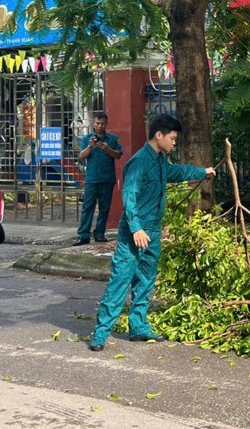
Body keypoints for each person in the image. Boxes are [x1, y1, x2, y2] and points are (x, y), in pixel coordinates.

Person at [88, 114, 215, 351]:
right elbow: (129, 196)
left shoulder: (160, 161)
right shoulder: (139, 162)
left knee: (145, 281)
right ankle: (101, 333)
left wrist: (201, 172)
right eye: (173, 138)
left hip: (153, 231)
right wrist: (136, 228)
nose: (174, 143)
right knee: (121, 279)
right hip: (134, 232)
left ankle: (139, 327)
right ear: (159, 135)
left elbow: (175, 173)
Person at [75, 112, 123, 245]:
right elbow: (81, 156)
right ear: (93, 123)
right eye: (97, 123)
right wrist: (90, 146)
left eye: (102, 123)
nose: (99, 126)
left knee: (104, 208)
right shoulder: (87, 138)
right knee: (87, 207)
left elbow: (118, 155)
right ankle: (83, 235)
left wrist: (108, 149)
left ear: (106, 124)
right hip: (92, 179)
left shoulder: (113, 139)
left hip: (107, 179)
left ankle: (100, 234)